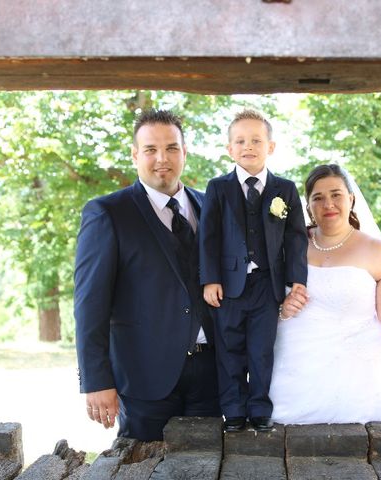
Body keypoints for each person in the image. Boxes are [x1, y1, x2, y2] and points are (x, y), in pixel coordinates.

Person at [74, 109, 220, 442]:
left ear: (185, 153)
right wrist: (97, 381)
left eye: (171, 148)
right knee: (142, 467)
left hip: (212, 373)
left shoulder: (211, 206)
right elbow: (89, 304)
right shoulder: (107, 213)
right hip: (143, 376)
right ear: (135, 155)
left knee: (206, 466)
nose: (162, 159)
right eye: (151, 149)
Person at [269, 164, 381, 425]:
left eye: (336, 194)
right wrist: (283, 309)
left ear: (351, 199)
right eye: (318, 198)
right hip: (291, 377)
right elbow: (263, 302)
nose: (328, 204)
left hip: (353, 383)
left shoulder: (379, 252)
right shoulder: (288, 245)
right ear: (308, 206)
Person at [199, 109, 308, 432]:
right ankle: (233, 409)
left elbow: (296, 237)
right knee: (229, 349)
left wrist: (296, 282)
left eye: (256, 140)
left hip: (266, 284)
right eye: (241, 141)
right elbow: (208, 237)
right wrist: (210, 279)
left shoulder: (284, 189)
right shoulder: (218, 188)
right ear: (230, 149)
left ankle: (259, 407)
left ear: (270, 147)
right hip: (228, 286)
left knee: (261, 349)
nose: (249, 146)